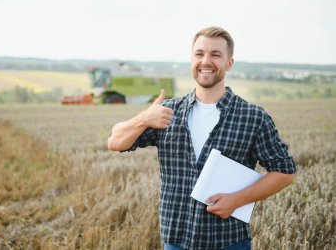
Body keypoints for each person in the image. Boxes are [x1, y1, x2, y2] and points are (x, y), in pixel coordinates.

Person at [107, 26, 296, 250]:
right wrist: (143, 118)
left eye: (216, 54)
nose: (206, 61)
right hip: (176, 242)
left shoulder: (253, 117)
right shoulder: (167, 112)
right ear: (191, 60)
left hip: (228, 242)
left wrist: (238, 200)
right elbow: (114, 141)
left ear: (229, 63)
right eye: (199, 54)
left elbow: (285, 172)